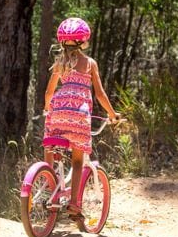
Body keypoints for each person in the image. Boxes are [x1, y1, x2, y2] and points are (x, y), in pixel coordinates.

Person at [43, 17, 120, 221]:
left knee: (51, 143)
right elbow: (100, 94)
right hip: (78, 114)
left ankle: (49, 179)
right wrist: (113, 115)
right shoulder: (90, 63)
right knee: (77, 161)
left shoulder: (59, 64)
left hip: (58, 110)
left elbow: (49, 93)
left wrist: (46, 109)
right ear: (84, 40)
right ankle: (75, 205)